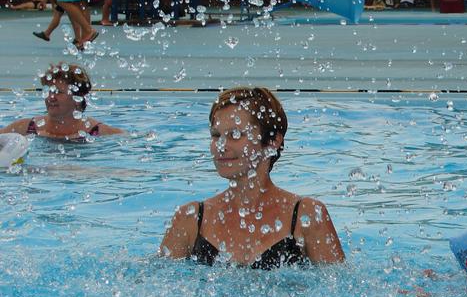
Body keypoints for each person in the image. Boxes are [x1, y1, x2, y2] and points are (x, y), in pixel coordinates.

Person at [160, 87, 345, 269]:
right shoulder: (190, 219)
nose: (221, 146)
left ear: (272, 141)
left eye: (235, 135)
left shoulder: (306, 216)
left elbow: (339, 284)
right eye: (216, 135)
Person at [0, 63, 124, 141]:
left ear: (78, 98)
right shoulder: (26, 128)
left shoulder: (96, 131)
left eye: (58, 92)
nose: (51, 97)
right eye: (49, 91)